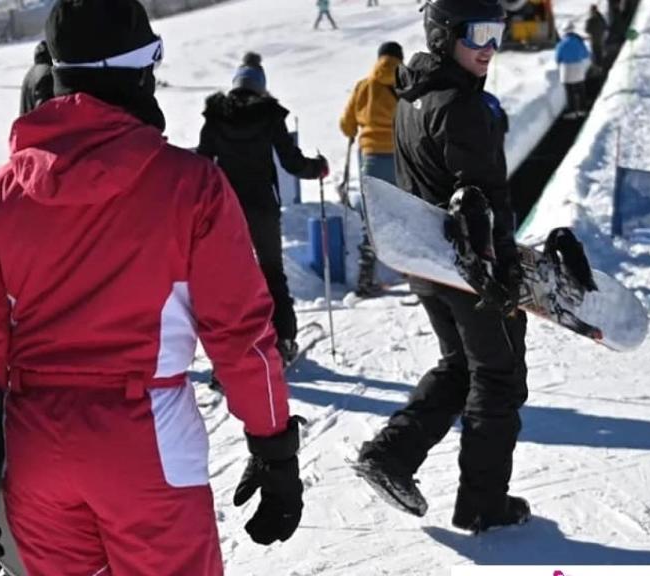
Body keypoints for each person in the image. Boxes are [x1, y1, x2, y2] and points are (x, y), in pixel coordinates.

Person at [0, 1, 304, 573]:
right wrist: (273, 444)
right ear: (138, 70)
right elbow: (239, 333)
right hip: (147, 437)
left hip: (36, 446)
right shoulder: (191, 186)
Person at [353, 0, 530, 534]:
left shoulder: (412, 98)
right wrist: (498, 271)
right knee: (498, 378)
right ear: (443, 35)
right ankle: (483, 504)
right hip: (470, 267)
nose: (490, 47)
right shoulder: (460, 104)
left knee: (461, 366)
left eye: (497, 33)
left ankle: (390, 455)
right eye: (478, 33)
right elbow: (478, 196)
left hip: (430, 263)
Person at [197, 52, 329, 364]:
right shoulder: (269, 115)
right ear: (261, 87)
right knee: (272, 273)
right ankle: (283, 341)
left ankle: (229, 351)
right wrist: (318, 167)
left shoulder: (216, 117)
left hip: (226, 209)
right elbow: (290, 162)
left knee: (229, 278)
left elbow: (203, 162)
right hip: (261, 207)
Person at [339, 41, 404, 297]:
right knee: (404, 213)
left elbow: (346, 124)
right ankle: (413, 272)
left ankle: (366, 279)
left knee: (373, 219)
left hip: (372, 158)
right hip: (401, 157)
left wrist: (358, 130)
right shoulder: (406, 83)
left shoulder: (364, 86)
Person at [555, 22, 591, 119]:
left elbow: (558, 58)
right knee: (580, 89)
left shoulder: (561, 44)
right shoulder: (578, 41)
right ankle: (582, 110)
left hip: (566, 69)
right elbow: (585, 54)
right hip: (578, 68)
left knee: (570, 91)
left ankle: (572, 111)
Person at [19, 40, 54, 114]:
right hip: (37, 123)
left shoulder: (30, 73)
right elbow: (44, 111)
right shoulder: (47, 73)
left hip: (27, 122)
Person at [584, 4, 608, 68]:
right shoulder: (601, 18)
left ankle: (596, 69)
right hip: (601, 40)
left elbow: (587, 30)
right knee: (600, 55)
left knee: (595, 56)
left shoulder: (590, 20)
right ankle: (601, 68)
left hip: (594, 41)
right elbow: (606, 27)